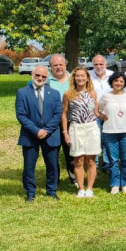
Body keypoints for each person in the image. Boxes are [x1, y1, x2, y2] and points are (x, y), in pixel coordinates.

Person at [16, 65, 63, 201]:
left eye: (43, 76)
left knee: (52, 165)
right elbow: (21, 115)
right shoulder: (22, 92)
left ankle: (52, 191)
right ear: (32, 74)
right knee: (29, 166)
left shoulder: (54, 93)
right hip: (30, 135)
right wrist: (36, 131)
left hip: (50, 135)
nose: (40, 78)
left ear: (47, 78)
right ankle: (30, 192)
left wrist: (46, 130)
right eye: (37, 75)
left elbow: (58, 114)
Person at [62, 66, 101, 197]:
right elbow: (64, 114)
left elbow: (96, 112)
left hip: (91, 128)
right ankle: (81, 189)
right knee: (78, 161)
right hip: (76, 128)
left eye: (82, 75)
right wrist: (65, 133)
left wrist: (106, 116)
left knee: (91, 161)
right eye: (77, 76)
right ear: (74, 78)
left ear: (87, 78)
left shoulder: (93, 94)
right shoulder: (68, 95)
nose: (80, 78)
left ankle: (89, 188)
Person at [98, 71, 126, 194]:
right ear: (112, 82)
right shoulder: (105, 96)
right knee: (113, 160)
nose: (118, 83)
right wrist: (101, 116)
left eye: (121, 81)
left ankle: (125, 183)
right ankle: (114, 184)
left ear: (125, 83)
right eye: (116, 81)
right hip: (109, 131)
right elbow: (96, 108)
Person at [46, 54, 74, 186]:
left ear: (65, 65)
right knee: (52, 152)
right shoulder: (45, 80)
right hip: (52, 121)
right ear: (51, 67)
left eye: (61, 64)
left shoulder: (74, 79)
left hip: (71, 121)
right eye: (55, 65)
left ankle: (74, 178)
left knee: (71, 151)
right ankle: (54, 179)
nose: (58, 67)